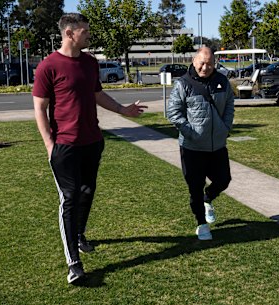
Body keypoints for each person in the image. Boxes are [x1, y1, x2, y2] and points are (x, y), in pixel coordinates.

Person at [32, 13, 146, 284]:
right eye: (85, 31)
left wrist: (122, 110)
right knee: (69, 198)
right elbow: (39, 107)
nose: (89, 35)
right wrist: (49, 143)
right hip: (65, 146)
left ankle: (79, 234)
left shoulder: (90, 63)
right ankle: (74, 263)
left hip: (92, 142)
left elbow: (97, 95)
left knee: (87, 192)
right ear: (70, 33)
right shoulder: (48, 66)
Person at [166, 47, 234, 241]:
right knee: (195, 187)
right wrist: (190, 133)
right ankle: (201, 224)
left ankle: (208, 198)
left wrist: (225, 127)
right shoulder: (183, 83)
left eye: (210, 64)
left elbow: (229, 104)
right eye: (202, 63)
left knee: (224, 180)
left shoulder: (222, 81)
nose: (205, 67)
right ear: (194, 60)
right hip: (192, 147)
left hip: (217, 145)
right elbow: (174, 112)